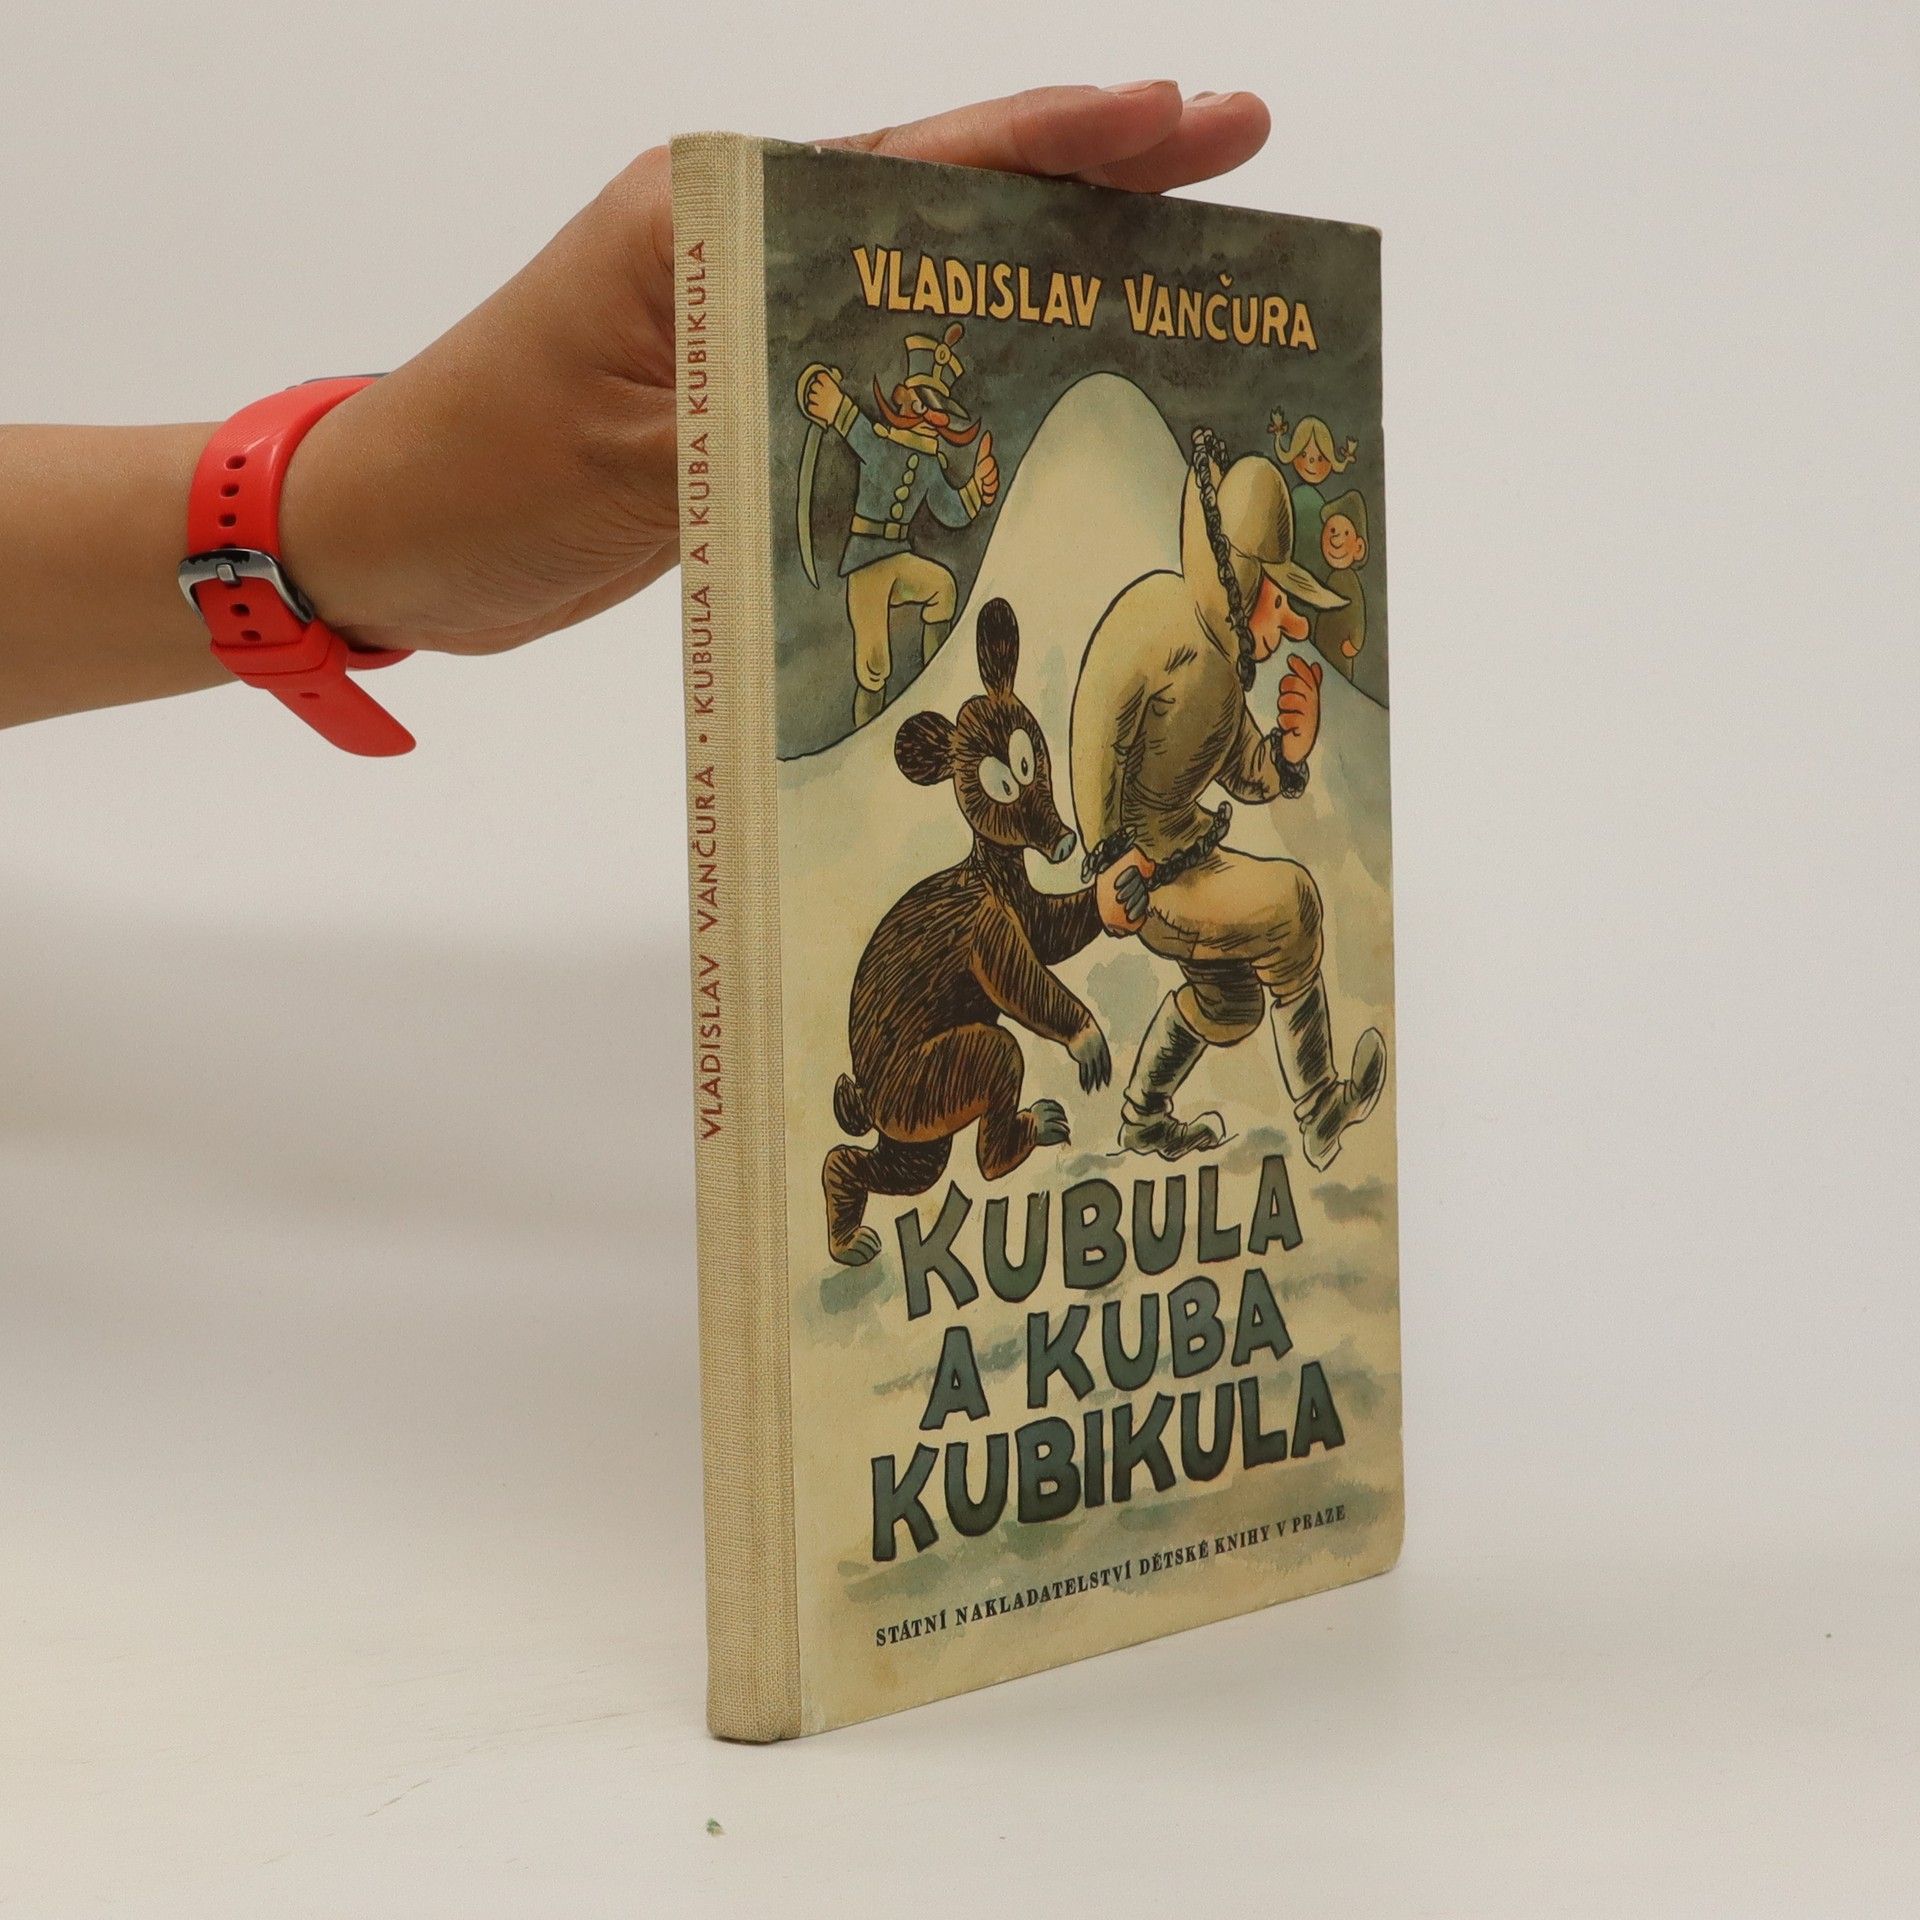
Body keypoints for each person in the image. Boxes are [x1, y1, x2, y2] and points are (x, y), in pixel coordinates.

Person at [0, 85, 1270, 732]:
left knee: (942, 600)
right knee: (884, 636)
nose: (934, 399)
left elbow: (948, 495)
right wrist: (822, 405)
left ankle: (916, 700)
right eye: (925, 385)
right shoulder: (874, 423)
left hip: (905, 561)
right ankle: (881, 709)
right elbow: (841, 433)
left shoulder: (926, 445)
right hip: (858, 566)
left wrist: (333, 521)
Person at [1069, 430, 1386, 1170]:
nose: (1293, 625)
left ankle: (1143, 1117)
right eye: (1281, 601)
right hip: (1144, 875)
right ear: (1242, 584)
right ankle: (1320, 1107)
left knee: (1233, 1004)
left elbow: (1244, 768)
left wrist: (1288, 754)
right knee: (1292, 904)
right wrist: (1108, 858)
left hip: (1183, 856)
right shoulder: (1160, 622)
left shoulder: (1220, 666)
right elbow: (1096, 725)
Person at [796, 323, 999, 727]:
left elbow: (950, 510)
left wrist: (978, 487)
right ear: (904, 400)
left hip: (899, 558)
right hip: (866, 564)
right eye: (921, 402)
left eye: (936, 407)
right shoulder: (880, 442)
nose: (928, 414)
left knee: (943, 587)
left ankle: (937, 693)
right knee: (874, 663)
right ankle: (864, 737)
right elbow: (851, 424)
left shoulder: (930, 462)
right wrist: (828, 401)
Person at [1314, 488, 1369, 677]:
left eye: (1345, 532)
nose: (1336, 538)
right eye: (1332, 530)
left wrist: (1356, 642)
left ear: (1358, 548)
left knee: (1339, 679)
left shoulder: (1349, 581)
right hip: (1324, 644)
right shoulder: (1332, 578)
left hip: (1341, 649)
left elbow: (1358, 612)